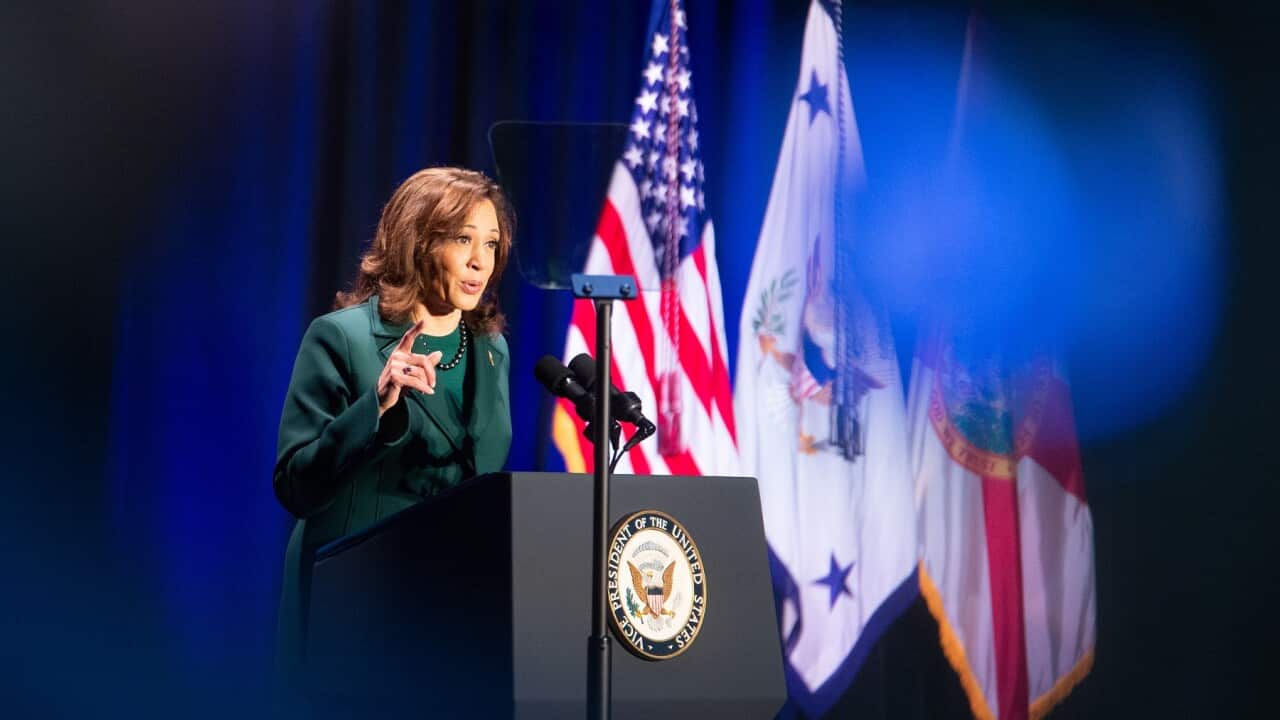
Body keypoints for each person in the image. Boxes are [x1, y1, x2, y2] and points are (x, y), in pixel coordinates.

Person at [272, 166, 514, 674]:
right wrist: (376, 406)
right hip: (355, 605)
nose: (479, 262)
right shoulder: (343, 338)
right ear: (418, 242)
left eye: (490, 244)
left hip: (446, 608)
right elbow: (296, 486)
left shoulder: (492, 351)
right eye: (462, 239)